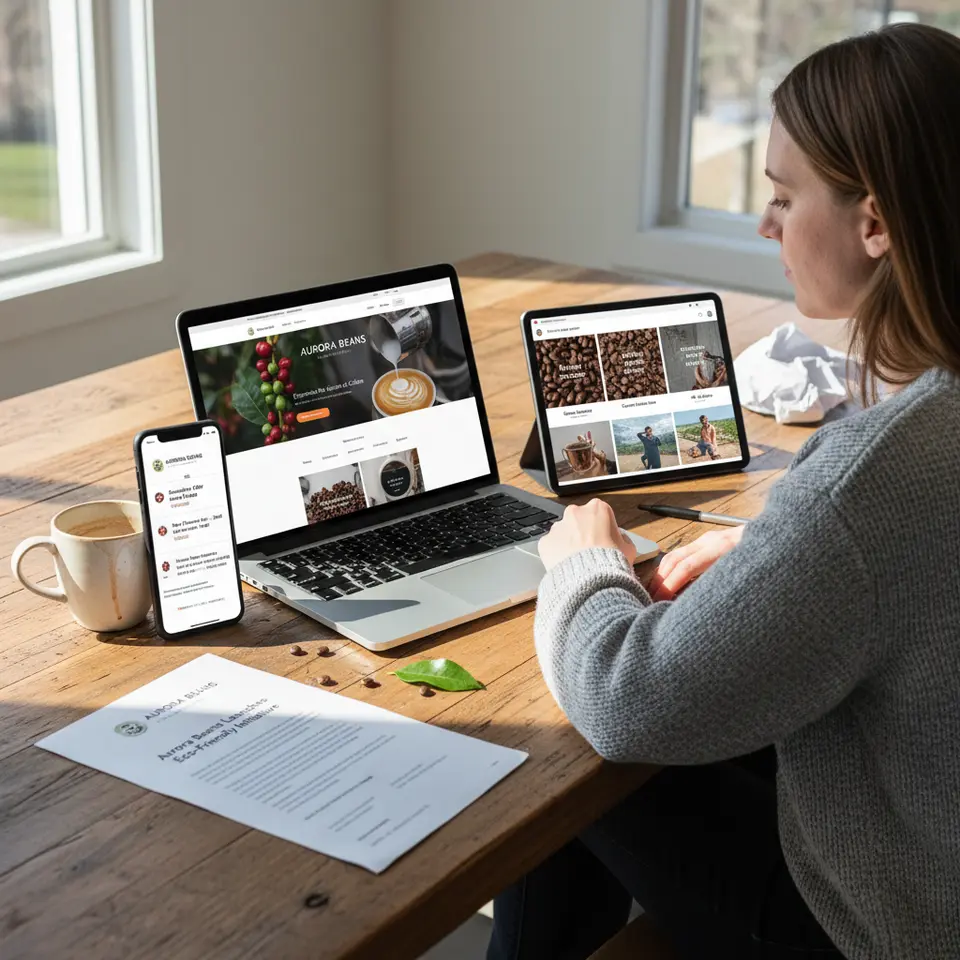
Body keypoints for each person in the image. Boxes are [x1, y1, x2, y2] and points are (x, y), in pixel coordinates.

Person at [488, 23, 960, 960]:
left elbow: (631, 702)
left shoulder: (876, 475)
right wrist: (769, 555)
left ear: (876, 223)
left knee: (569, 725)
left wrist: (584, 563)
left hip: (886, 926)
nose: (766, 225)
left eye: (784, 197)